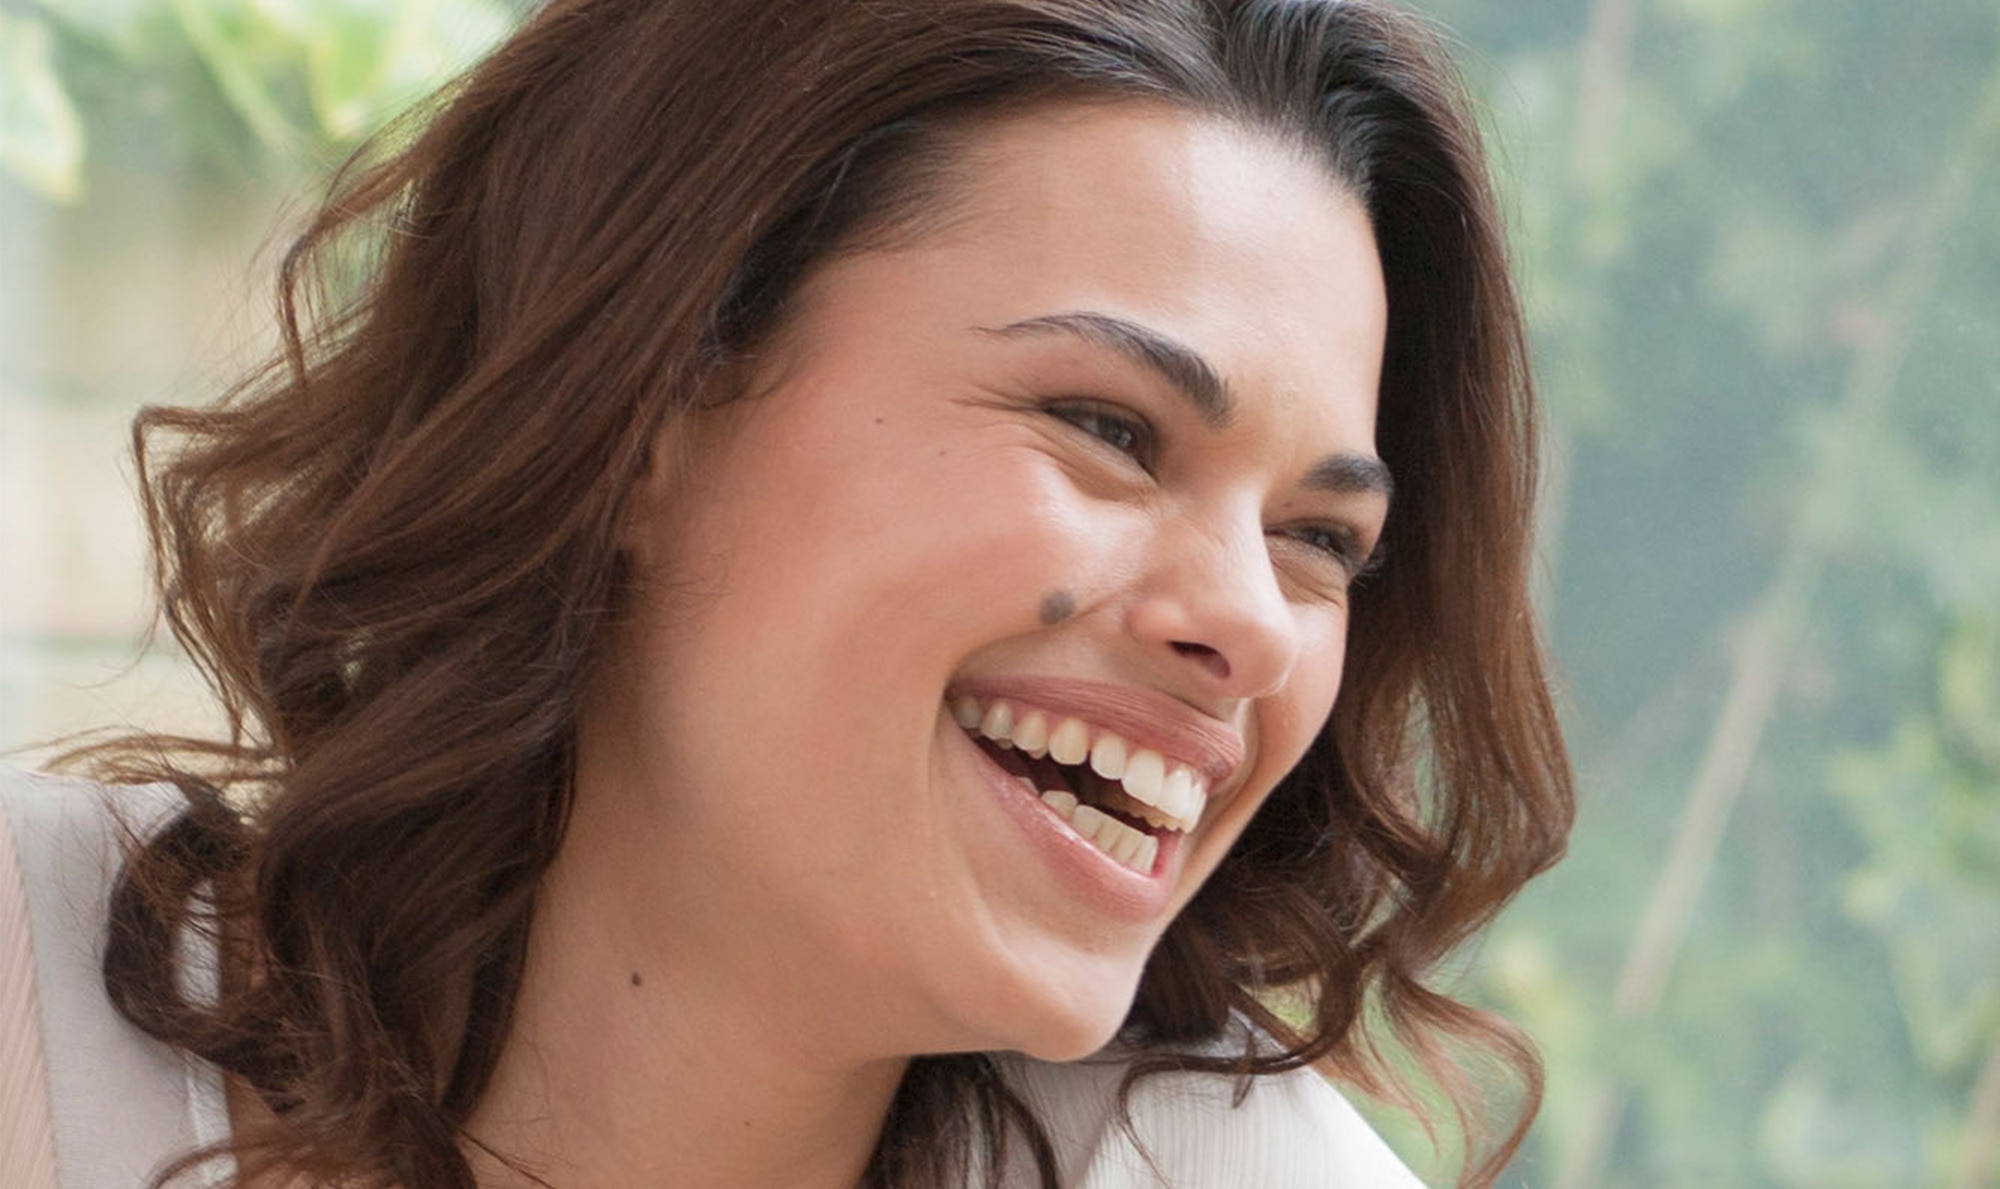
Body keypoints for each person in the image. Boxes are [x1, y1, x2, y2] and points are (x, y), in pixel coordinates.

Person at [0, 0, 1575, 1186]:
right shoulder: (37, 1012)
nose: (1244, 621)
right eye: (1108, 429)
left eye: (1322, 540)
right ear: (647, 407)